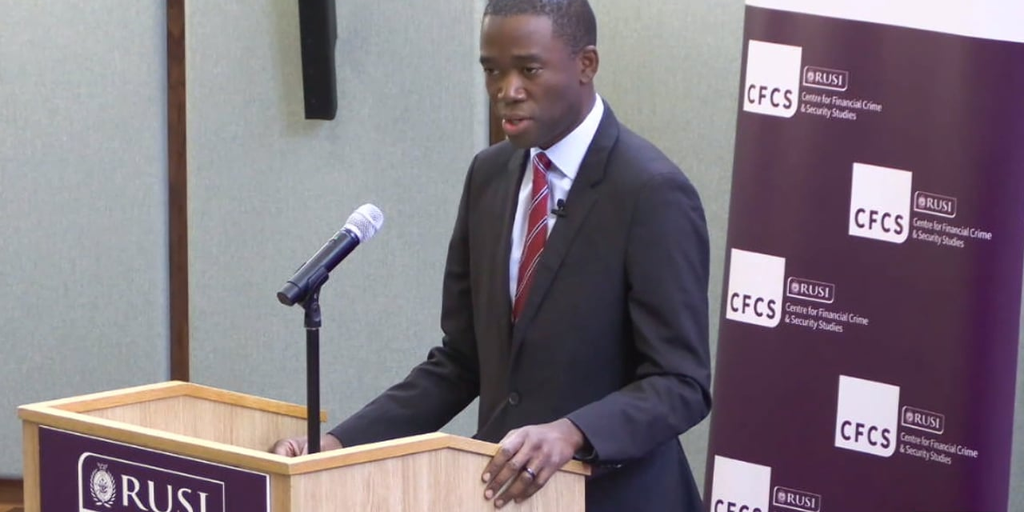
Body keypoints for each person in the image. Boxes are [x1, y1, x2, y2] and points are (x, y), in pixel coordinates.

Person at [273, 1, 712, 510]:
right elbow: (462, 361)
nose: (507, 90)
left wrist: (572, 431)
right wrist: (339, 445)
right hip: (508, 497)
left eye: (529, 70)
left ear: (586, 65)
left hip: (620, 497)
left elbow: (681, 384)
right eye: (492, 71)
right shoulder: (489, 175)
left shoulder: (651, 192)